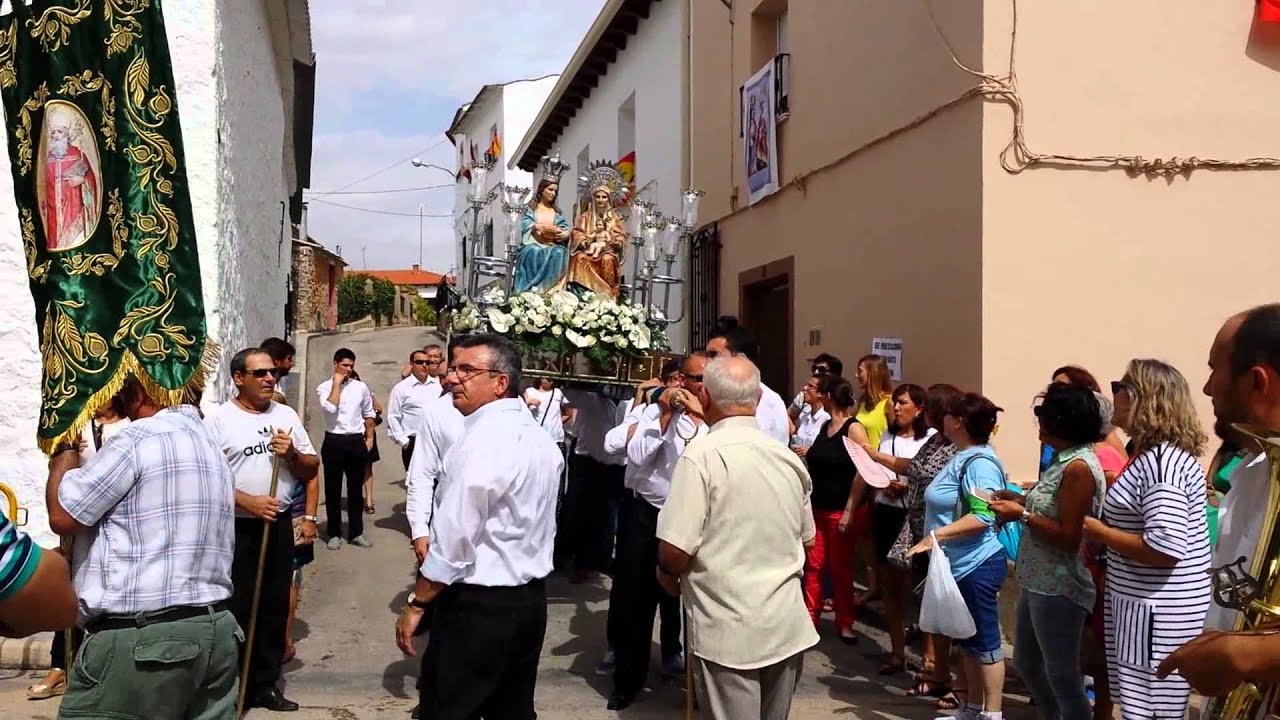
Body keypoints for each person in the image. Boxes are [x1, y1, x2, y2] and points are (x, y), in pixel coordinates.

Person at [45, 377, 239, 717]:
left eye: (122, 384)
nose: (117, 393)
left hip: (144, 640)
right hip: (214, 630)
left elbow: (63, 515)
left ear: (145, 387)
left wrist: (63, 449)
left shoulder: (137, 439)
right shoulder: (208, 443)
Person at [394, 334, 562, 719]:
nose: (453, 378)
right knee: (512, 709)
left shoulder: (482, 442)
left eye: (468, 370)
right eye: (453, 368)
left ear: (500, 382)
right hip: (529, 602)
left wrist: (417, 603)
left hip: (479, 605)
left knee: (453, 707)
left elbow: (453, 540)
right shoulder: (541, 440)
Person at [656, 355, 819, 720]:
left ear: (706, 399)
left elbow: (673, 552)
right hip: (785, 625)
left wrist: (667, 575)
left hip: (728, 631)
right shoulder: (787, 458)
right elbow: (807, 538)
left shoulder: (701, 457)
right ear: (758, 400)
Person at [1082, 359, 1211, 720]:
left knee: (1154, 709)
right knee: (1145, 706)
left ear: (1143, 397)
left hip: (1157, 610)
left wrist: (1100, 532)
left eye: (1119, 387)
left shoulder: (1162, 465)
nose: (1114, 395)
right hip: (1143, 605)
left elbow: (1166, 547)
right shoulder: (1152, 455)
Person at [205, 347, 320, 712]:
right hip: (237, 527)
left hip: (278, 524)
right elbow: (207, 479)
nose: (271, 378)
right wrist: (246, 501)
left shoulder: (284, 415)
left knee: (272, 606)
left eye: (273, 373)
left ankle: (265, 684)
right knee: (237, 606)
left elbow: (311, 467)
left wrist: (290, 455)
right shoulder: (219, 420)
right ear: (239, 378)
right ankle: (234, 685)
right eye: (261, 373)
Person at [990, 383, 1107, 720]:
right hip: (1037, 580)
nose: (1039, 426)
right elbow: (1052, 508)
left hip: (1060, 585)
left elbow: (1070, 535)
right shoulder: (1062, 461)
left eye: (1045, 418)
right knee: (1027, 662)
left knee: (1062, 674)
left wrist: (1022, 515)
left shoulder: (1079, 469)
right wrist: (1019, 500)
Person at [606, 354, 707, 710]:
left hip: (694, 518)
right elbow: (634, 454)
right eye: (694, 379)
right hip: (648, 514)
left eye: (705, 381)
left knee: (696, 602)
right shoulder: (652, 412)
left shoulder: (715, 421)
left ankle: (698, 683)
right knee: (636, 599)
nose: (698, 387)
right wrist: (663, 418)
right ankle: (628, 680)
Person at [908, 392, 1009, 720]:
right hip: (959, 564)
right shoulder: (962, 455)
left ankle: (992, 713)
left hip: (977, 564)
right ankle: (971, 708)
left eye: (948, 414)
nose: (942, 418)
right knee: (968, 638)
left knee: (986, 642)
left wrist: (933, 537)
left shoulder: (979, 464)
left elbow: (982, 516)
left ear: (959, 422)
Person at [594, 360, 685, 678]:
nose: (676, 388)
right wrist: (647, 410)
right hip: (641, 508)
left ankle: (672, 650)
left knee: (673, 587)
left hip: (676, 512)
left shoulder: (699, 418)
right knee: (630, 587)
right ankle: (620, 650)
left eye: (682, 381)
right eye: (670, 380)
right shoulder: (646, 412)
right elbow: (616, 444)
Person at [1203, 304, 1280, 633]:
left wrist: (1251, 657)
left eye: (1214, 370)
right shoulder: (1250, 474)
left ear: (1256, 382)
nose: (1207, 388)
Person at [859, 383, 935, 675]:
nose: (898, 408)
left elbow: (926, 475)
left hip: (915, 518)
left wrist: (907, 486)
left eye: (904, 403)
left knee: (923, 589)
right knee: (892, 588)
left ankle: (929, 658)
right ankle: (897, 651)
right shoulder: (888, 436)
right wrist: (883, 485)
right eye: (896, 403)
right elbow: (875, 469)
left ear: (919, 408)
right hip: (887, 512)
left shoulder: (928, 439)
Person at [898, 384, 964, 710]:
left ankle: (957, 683)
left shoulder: (960, 450)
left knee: (950, 612)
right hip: (924, 534)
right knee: (929, 605)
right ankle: (936, 672)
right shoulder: (935, 441)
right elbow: (913, 468)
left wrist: (873, 456)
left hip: (949, 541)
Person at [801, 375, 869, 644]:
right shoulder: (826, 426)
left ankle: (845, 621)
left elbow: (863, 470)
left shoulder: (854, 429)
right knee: (814, 566)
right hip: (817, 507)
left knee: (840, 567)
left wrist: (850, 510)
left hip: (840, 509)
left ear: (828, 396)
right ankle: (810, 618)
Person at [316, 348, 376, 550]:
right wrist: (336, 384)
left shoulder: (360, 387)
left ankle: (356, 532)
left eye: (351, 366)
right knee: (332, 489)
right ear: (336, 364)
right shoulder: (324, 388)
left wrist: (369, 437)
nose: (348, 369)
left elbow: (369, 412)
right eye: (345, 365)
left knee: (355, 489)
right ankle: (333, 532)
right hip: (333, 440)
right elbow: (330, 408)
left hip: (354, 441)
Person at [705, 317, 790, 445]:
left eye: (713, 355)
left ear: (741, 358)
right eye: (706, 355)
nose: (707, 363)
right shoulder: (708, 392)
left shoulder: (771, 402)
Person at [388, 348, 445, 471]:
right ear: (412, 364)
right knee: (415, 484)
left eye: (427, 362)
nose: (424, 365)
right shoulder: (401, 388)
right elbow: (393, 416)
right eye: (419, 362)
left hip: (436, 442)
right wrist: (404, 441)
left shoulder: (438, 386)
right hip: (414, 442)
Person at [523, 378, 570, 449]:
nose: (551, 381)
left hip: (556, 439)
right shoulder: (530, 391)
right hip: (536, 439)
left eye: (552, 379)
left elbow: (568, 413)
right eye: (547, 378)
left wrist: (557, 423)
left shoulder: (558, 392)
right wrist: (530, 402)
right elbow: (520, 407)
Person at [261, 337, 297, 405]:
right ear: (277, 361)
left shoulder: (281, 381)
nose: (292, 363)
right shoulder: (266, 391)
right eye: (289, 359)